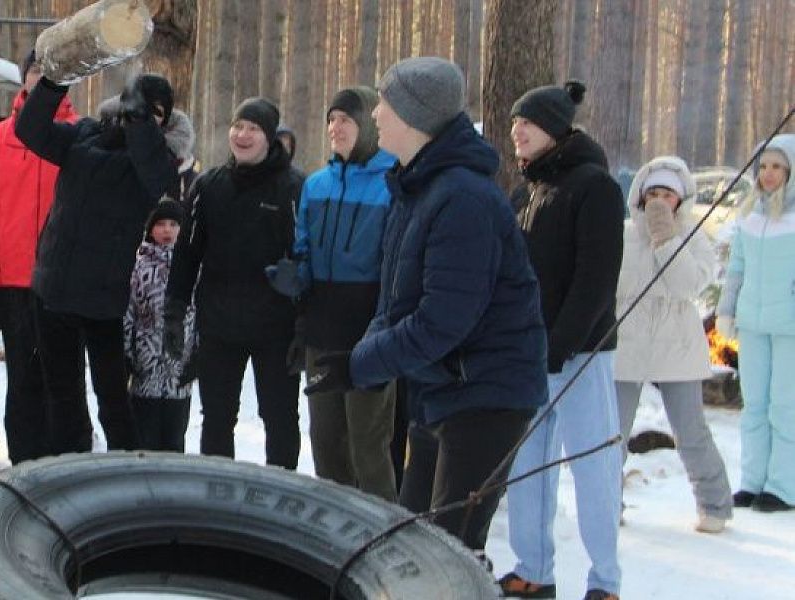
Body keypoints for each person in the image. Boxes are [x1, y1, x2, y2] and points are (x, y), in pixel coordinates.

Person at [305, 57, 546, 565]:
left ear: (414, 117)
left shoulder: (462, 200)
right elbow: (395, 302)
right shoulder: (414, 187)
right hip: (441, 388)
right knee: (414, 541)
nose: (375, 116)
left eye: (385, 105)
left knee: (447, 554)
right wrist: (354, 362)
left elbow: (443, 321)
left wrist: (359, 365)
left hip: (486, 395)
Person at [500, 81, 625, 600]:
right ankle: (534, 568)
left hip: (581, 354)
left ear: (554, 127)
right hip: (528, 354)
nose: (516, 132)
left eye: (526, 123)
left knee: (593, 466)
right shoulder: (524, 190)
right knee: (527, 467)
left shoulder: (594, 186)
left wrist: (562, 341)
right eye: (513, 124)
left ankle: (605, 581)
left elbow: (596, 279)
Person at [16, 71, 179, 455]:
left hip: (103, 299)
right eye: (139, 106)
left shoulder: (159, 158)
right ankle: (70, 466)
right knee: (62, 395)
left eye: (156, 112)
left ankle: (126, 468)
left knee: (112, 397)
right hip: (53, 288)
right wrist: (52, 85)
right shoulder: (84, 133)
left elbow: (157, 177)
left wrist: (140, 122)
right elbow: (30, 131)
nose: (144, 116)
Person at [0, 51, 79, 469]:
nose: (43, 78)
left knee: (61, 378)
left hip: (62, 281)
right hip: (9, 279)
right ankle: (25, 466)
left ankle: (60, 464)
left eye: (52, 71)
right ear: (24, 78)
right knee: (23, 380)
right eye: (36, 71)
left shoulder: (80, 135)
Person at [165, 98, 302, 469]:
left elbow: (309, 258)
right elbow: (187, 253)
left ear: (270, 137)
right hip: (219, 324)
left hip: (275, 328)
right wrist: (175, 311)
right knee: (217, 417)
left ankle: (282, 498)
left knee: (281, 419)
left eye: (253, 129)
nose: (242, 135)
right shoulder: (209, 185)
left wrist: (304, 318)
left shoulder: (293, 187)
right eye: (238, 126)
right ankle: (216, 492)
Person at [614, 156, 734, 533]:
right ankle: (606, 502)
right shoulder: (622, 234)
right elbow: (610, 284)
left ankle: (715, 505)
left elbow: (689, 287)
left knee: (691, 430)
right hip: (627, 344)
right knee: (612, 434)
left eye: (668, 194)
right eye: (654, 194)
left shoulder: (694, 237)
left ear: (680, 200)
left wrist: (667, 242)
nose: (660, 201)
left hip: (677, 346)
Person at [295, 86, 400, 500]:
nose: (336, 128)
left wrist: (387, 323)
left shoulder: (393, 182)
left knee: (368, 446)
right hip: (322, 329)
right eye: (332, 119)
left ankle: (382, 536)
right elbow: (302, 244)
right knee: (325, 443)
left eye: (347, 120)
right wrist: (295, 276)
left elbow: (398, 261)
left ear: (368, 129)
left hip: (369, 328)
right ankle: (332, 539)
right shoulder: (316, 184)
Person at [717, 133, 795, 514]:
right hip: (752, 321)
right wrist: (726, 313)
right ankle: (752, 481)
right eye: (763, 166)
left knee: (785, 406)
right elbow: (736, 269)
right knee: (754, 404)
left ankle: (782, 486)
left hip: (789, 327)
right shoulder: (749, 215)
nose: (769, 174)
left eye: (777, 167)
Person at [126, 200, 196, 451]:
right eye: (161, 224)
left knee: (175, 441)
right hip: (146, 370)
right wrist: (128, 355)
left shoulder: (193, 267)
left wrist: (198, 355)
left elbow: (201, 315)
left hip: (180, 372)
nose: (167, 230)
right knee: (144, 440)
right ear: (150, 229)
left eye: (174, 224)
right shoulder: (138, 266)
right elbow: (129, 314)